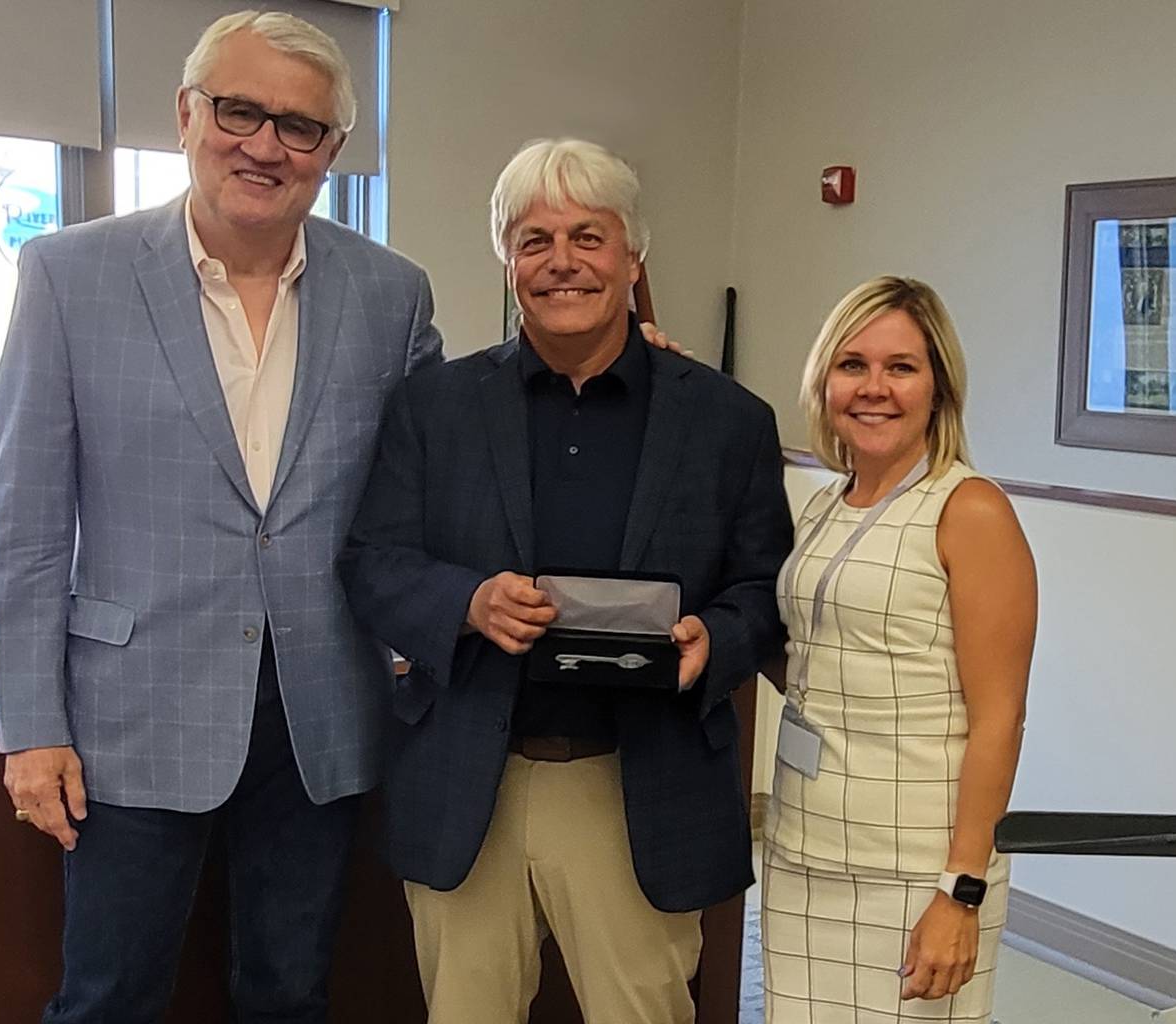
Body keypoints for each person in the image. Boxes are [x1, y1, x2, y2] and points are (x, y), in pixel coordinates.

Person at [0, 11, 442, 1021]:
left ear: (334, 150)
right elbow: (23, 523)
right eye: (240, 111)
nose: (265, 145)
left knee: (290, 992)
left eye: (300, 126)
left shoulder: (391, 295)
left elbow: (440, 475)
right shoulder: (69, 274)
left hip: (319, 712)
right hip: (129, 716)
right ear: (187, 114)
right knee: (108, 997)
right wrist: (30, 724)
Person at [337, 138, 793, 1024]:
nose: (562, 262)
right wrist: (465, 602)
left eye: (589, 236)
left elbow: (767, 589)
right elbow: (371, 562)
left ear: (633, 255)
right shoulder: (434, 408)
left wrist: (717, 640)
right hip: (474, 781)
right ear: (506, 261)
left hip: (640, 785)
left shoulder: (728, 420)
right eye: (533, 239)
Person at [761, 275, 1037, 1022]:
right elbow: (816, 661)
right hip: (802, 850)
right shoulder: (827, 504)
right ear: (824, 383)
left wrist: (961, 890)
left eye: (901, 367)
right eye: (852, 365)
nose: (873, 388)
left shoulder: (969, 509)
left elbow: (1000, 719)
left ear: (939, 387)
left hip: (914, 871)